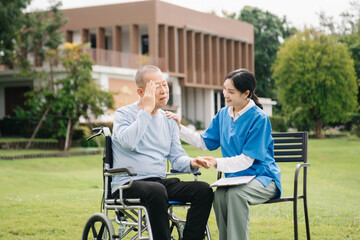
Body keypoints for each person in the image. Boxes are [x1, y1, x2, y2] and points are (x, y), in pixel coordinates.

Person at [166, 69, 281, 240]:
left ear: (246, 94)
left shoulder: (259, 119)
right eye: (224, 89)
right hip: (235, 180)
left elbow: (247, 160)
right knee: (219, 195)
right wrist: (179, 127)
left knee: (236, 195)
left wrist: (216, 162)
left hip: (263, 179)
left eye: (231, 91)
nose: (225, 95)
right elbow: (204, 142)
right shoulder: (223, 114)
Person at [111, 65, 214, 240]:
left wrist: (191, 162)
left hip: (158, 183)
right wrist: (146, 111)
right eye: (156, 86)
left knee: (204, 190)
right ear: (141, 91)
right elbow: (128, 142)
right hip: (128, 184)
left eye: (165, 85)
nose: (163, 90)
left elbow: (176, 157)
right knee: (157, 190)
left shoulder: (169, 120)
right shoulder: (123, 114)